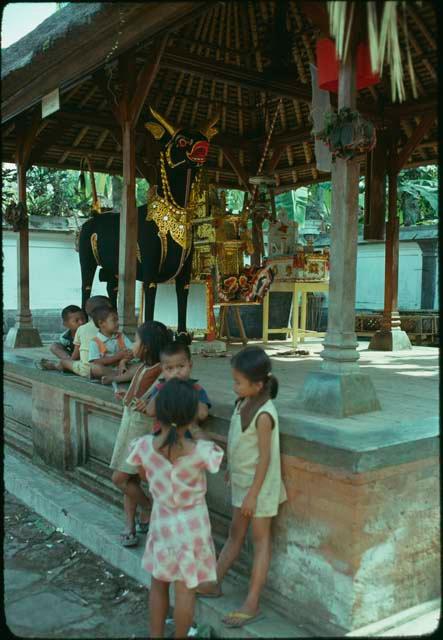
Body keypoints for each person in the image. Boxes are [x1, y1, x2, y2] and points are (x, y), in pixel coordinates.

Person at [197, 345, 287, 629]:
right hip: (244, 484)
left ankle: (252, 602)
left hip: (260, 489)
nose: (233, 386)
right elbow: (241, 447)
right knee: (235, 535)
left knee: (260, 542)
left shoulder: (264, 415)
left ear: (258, 385)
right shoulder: (242, 405)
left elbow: (265, 460)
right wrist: (232, 472)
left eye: (238, 382)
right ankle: (214, 582)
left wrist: (252, 495)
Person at [126, 378, 224, 638]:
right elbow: (217, 460)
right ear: (191, 414)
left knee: (158, 585)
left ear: (159, 411)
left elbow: (143, 474)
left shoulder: (144, 446)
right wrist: (194, 426)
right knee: (185, 591)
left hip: (162, 524)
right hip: (193, 528)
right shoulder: (202, 451)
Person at [110, 321, 172, 547]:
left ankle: (148, 508)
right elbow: (139, 392)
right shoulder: (144, 366)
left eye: (135, 340)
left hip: (141, 427)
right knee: (130, 477)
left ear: (146, 346)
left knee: (120, 478)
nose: (132, 345)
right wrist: (127, 396)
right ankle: (130, 524)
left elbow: (155, 396)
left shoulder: (161, 370)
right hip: (130, 423)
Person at [143, 342, 211, 437]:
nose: (176, 372)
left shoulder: (196, 389)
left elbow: (202, 414)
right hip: (161, 437)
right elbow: (150, 411)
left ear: (190, 365)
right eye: (169, 368)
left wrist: (188, 394)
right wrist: (164, 390)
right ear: (162, 370)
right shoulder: (160, 388)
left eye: (181, 366)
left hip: (185, 439)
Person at [40, 296, 112, 377]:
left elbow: (75, 356)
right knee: (55, 346)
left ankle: (56, 366)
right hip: (99, 363)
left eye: (83, 318)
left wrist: (69, 362)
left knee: (64, 362)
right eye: (76, 320)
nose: (81, 322)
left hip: (88, 365)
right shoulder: (109, 326)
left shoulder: (82, 329)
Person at [88, 306, 134, 380]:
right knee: (95, 369)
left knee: (140, 366)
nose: (118, 323)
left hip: (124, 366)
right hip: (108, 370)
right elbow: (96, 362)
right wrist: (117, 357)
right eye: (114, 320)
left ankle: (116, 378)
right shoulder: (95, 342)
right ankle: (121, 377)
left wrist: (122, 362)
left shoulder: (121, 336)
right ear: (101, 323)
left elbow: (132, 350)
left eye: (118, 320)